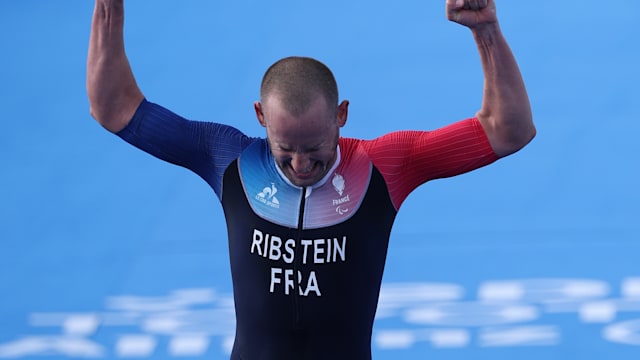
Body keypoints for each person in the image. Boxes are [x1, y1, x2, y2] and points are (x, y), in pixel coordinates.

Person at [87, 0, 535, 358]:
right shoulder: (228, 158)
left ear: (342, 116)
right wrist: (109, 4)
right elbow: (114, 107)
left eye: (315, 150)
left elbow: (507, 129)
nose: (300, 165)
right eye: (285, 150)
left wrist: (486, 31)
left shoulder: (386, 164)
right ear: (260, 117)